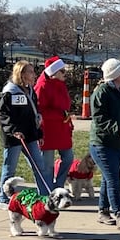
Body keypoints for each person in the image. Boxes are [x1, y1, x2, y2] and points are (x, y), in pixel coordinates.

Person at [88, 57, 120, 228]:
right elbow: (100, 119)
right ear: (115, 74)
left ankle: (103, 211)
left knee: (108, 178)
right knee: (113, 179)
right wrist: (118, 129)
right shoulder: (101, 92)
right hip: (102, 144)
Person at [0, 60, 43, 208]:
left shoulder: (30, 90)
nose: (34, 75)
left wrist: (39, 133)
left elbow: (32, 114)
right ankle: (4, 200)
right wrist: (13, 130)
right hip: (14, 137)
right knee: (9, 168)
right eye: (30, 72)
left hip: (30, 135)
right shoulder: (10, 92)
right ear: (21, 74)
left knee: (39, 165)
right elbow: (3, 114)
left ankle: (43, 196)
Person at [35, 56, 75, 191]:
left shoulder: (61, 85)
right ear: (54, 73)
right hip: (48, 130)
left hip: (62, 128)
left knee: (68, 158)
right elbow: (40, 110)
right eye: (62, 71)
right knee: (48, 165)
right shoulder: (42, 86)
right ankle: (47, 190)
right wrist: (60, 115)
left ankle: (58, 186)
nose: (65, 74)